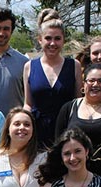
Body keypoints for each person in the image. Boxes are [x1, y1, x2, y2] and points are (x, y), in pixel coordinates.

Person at [24, 8, 82, 150]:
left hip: (66, 133)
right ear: (40, 39)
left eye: (57, 38)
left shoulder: (74, 66)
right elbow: (28, 104)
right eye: (48, 38)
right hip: (37, 134)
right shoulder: (29, 66)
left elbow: (79, 103)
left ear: (63, 40)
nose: (52, 43)